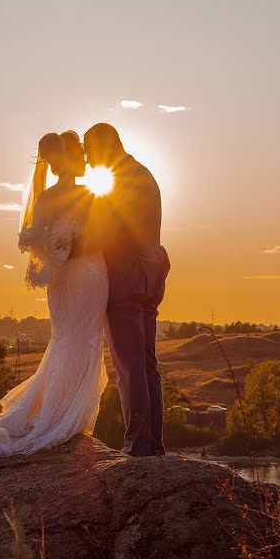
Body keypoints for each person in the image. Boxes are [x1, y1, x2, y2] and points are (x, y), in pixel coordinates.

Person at [0, 131, 109, 468]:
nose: (83, 160)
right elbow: (43, 239)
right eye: (78, 155)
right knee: (73, 339)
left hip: (82, 274)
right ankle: (59, 418)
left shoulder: (71, 195)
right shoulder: (68, 196)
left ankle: (68, 417)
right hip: (77, 275)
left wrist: (68, 250)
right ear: (65, 160)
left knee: (82, 340)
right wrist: (65, 251)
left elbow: (84, 236)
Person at [84, 123, 170, 456]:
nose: (90, 162)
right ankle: (154, 443)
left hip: (127, 277)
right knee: (147, 365)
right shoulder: (142, 174)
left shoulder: (120, 182)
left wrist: (72, 249)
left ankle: (138, 446)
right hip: (150, 274)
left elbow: (104, 235)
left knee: (129, 366)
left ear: (105, 147)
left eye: (90, 153)